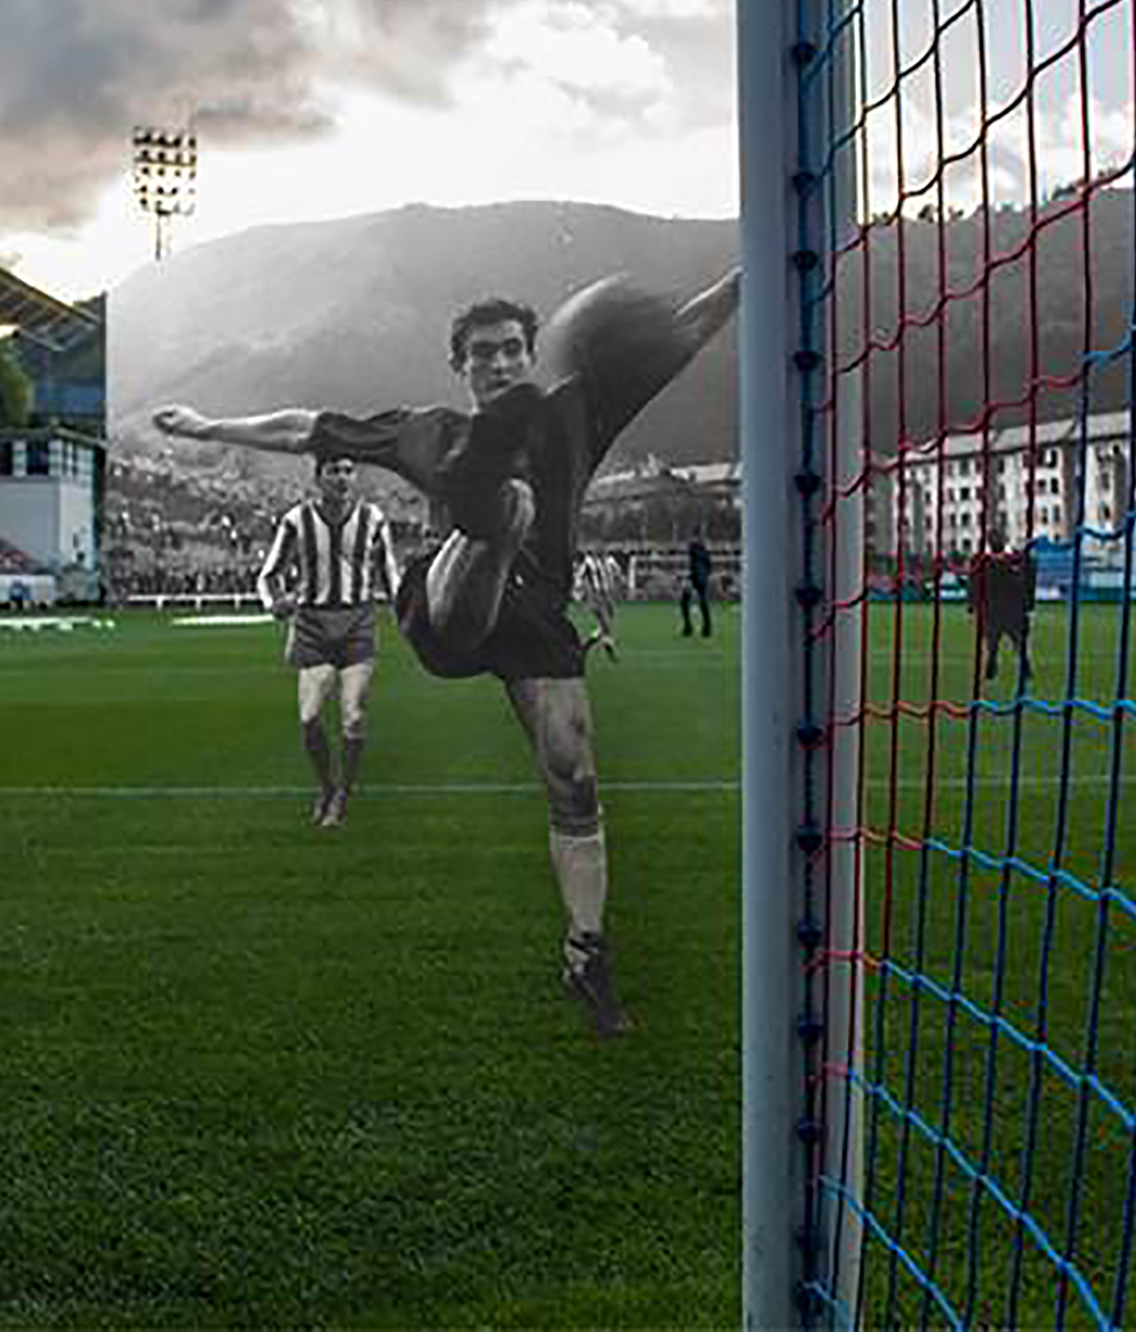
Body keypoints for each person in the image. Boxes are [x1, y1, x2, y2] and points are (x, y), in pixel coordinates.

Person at [152, 267, 741, 1037]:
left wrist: (751, 271)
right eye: (481, 354)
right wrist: (206, 426)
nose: (496, 364)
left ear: (531, 356)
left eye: (510, 351)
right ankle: (485, 499)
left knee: (575, 779)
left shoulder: (578, 411)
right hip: (448, 600)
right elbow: (307, 426)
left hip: (536, 619)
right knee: (506, 511)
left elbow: (681, 331)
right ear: (458, 366)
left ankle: (586, 950)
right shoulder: (423, 429)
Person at [259, 452, 401, 829]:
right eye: (334, 471)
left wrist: (406, 612)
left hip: (357, 622)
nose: (342, 478)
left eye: (348, 471)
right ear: (318, 477)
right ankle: (325, 785)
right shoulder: (297, 520)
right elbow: (268, 573)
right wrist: (275, 603)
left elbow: (390, 572)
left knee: (353, 717)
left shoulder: (373, 518)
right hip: (313, 625)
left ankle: (342, 795)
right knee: (309, 719)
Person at [970, 523, 1035, 681]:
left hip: (1011, 608)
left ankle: (1024, 669)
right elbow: (974, 584)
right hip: (994, 609)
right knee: (994, 643)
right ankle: (992, 669)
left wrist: (1028, 604)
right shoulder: (981, 560)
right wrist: (973, 605)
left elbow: (1029, 580)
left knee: (1018, 642)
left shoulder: (1017, 558)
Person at [679, 530, 714, 638]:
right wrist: (706, 574)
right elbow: (709, 565)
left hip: (695, 576)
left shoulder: (693, 547)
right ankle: (706, 627)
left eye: (692, 537)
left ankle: (688, 627)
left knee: (685, 601)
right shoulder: (704, 549)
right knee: (702, 601)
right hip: (701, 576)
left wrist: (689, 578)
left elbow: (692, 564)